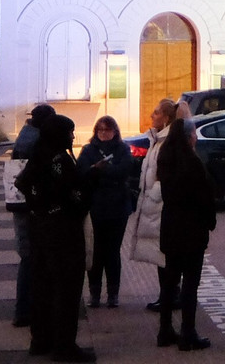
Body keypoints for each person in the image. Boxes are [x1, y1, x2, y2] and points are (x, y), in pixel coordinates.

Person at [15, 114, 94, 362]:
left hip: (39, 228)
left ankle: (40, 339)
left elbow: (24, 183)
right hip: (61, 233)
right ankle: (64, 346)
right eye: (70, 132)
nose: (72, 136)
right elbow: (72, 193)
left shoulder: (39, 155)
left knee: (43, 287)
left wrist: (39, 204)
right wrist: (89, 182)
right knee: (66, 289)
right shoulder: (59, 160)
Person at [156, 117, 216, 350]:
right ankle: (188, 333)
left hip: (171, 226)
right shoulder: (192, 162)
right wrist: (210, 221)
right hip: (192, 229)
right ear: (190, 136)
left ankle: (165, 330)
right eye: (194, 134)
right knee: (190, 283)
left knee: (170, 282)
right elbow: (205, 197)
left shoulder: (166, 157)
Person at [124, 98, 179, 312]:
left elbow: (166, 176)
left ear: (166, 118)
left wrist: (154, 194)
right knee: (160, 254)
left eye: (156, 113)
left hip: (162, 207)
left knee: (166, 254)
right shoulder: (157, 140)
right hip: (154, 206)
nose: (151, 116)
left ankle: (170, 296)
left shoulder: (169, 142)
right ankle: (166, 295)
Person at [76, 116, 134, 309]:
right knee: (96, 252)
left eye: (107, 130)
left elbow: (124, 171)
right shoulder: (88, 149)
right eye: (100, 130)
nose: (103, 133)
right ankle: (94, 293)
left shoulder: (122, 149)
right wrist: (98, 171)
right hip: (96, 207)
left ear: (114, 131)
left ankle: (113, 293)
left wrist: (101, 171)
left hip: (118, 208)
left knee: (113, 252)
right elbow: (82, 173)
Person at [6, 103, 55, 328]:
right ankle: (25, 310)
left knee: (28, 258)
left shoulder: (26, 135)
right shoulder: (36, 142)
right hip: (31, 208)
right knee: (31, 259)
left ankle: (24, 309)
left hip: (21, 205)